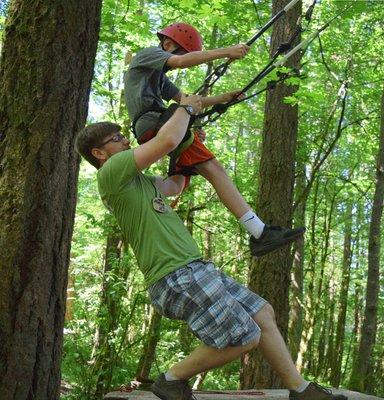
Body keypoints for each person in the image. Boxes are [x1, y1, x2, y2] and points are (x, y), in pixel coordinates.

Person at [75, 98, 347, 400]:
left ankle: (301, 390)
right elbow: (166, 139)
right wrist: (186, 109)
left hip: (193, 269)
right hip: (174, 275)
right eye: (116, 138)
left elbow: (175, 185)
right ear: (99, 153)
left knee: (262, 313)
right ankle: (171, 379)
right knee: (244, 336)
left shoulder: (139, 181)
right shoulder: (111, 172)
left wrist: (184, 152)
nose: (125, 140)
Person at [124, 22, 304, 257]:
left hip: (159, 125)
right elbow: (179, 62)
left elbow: (185, 98)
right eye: (182, 52)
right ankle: (260, 233)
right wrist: (226, 51)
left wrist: (224, 98)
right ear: (167, 44)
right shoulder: (147, 55)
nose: (183, 61)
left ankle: (142, 188)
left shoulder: (158, 76)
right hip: (157, 123)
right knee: (213, 168)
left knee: (179, 180)